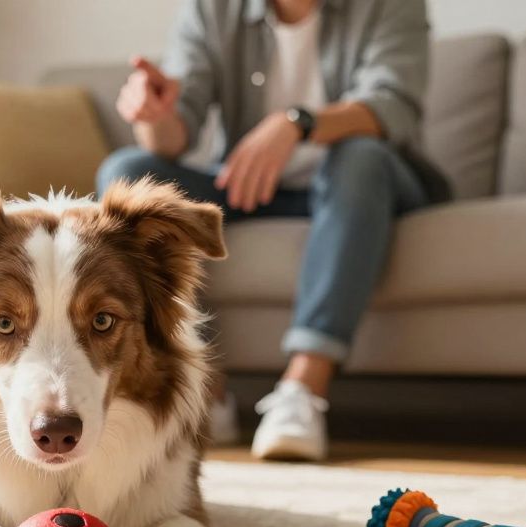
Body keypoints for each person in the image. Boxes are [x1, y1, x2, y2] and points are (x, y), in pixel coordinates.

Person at [98, 0, 449, 462]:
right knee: (128, 169)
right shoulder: (212, 9)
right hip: (252, 186)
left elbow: (393, 106)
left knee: (359, 157)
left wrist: (295, 124)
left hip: (369, 184)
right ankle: (207, 391)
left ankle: (303, 392)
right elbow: (171, 140)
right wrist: (153, 114)